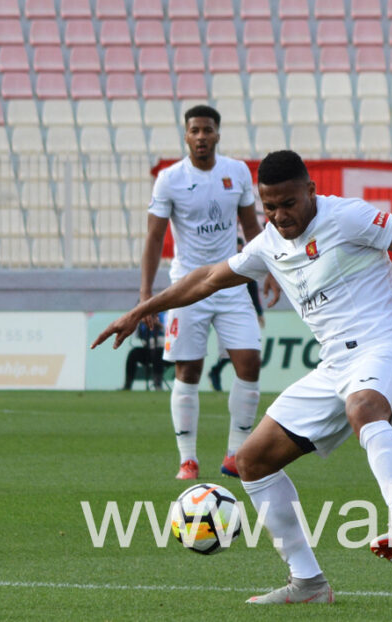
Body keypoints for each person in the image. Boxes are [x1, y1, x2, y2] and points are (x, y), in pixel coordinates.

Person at [93, 150, 392, 606]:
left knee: (364, 408)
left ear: (311, 189)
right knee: (251, 460)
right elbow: (204, 278)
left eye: (288, 203)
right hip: (333, 367)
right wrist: (141, 310)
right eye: (269, 207)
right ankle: (307, 581)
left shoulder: (348, 216)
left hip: (385, 349)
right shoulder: (266, 245)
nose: (280, 216)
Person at [140, 104, 280, 481]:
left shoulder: (235, 172)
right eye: (195, 130)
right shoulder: (169, 179)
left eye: (207, 130)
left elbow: (253, 227)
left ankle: (236, 453)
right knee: (189, 370)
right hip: (187, 285)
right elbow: (155, 238)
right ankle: (188, 459)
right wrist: (146, 294)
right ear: (186, 136)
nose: (201, 137)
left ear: (218, 134)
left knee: (249, 362)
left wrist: (271, 269)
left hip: (232, 280)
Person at [208, 238, 265, 392]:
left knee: (246, 351)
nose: (239, 250)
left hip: (239, 308)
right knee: (229, 353)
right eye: (237, 247)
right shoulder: (225, 266)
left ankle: (215, 372)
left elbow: (252, 288)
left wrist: (259, 311)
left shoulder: (245, 265)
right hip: (222, 307)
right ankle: (215, 372)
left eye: (241, 247)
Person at [121, 314, 166, 391]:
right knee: (133, 354)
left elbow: (168, 331)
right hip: (148, 348)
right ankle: (127, 385)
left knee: (158, 353)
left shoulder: (164, 315)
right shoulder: (143, 316)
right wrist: (139, 322)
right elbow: (137, 335)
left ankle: (158, 384)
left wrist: (158, 325)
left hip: (163, 350)